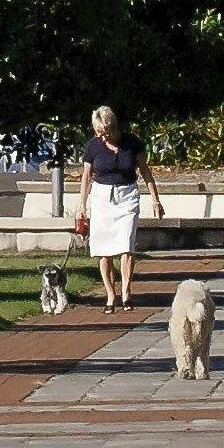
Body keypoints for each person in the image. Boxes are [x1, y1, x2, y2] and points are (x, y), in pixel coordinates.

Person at [78, 104, 147, 310]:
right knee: (103, 249)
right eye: (98, 132)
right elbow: (86, 177)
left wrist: (155, 198)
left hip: (127, 194)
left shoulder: (132, 143)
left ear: (112, 126)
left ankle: (126, 291)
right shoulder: (93, 146)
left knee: (127, 244)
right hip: (101, 197)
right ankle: (110, 295)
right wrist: (83, 204)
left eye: (104, 131)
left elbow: (144, 170)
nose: (101, 136)